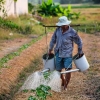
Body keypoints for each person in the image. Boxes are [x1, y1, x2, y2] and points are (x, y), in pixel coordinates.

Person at [48, 16, 83, 90]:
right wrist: (50, 49)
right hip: (58, 52)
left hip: (67, 54)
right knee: (58, 70)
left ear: (67, 24)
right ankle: (63, 80)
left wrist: (80, 51)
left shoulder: (72, 32)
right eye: (61, 25)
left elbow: (79, 42)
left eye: (63, 25)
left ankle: (65, 86)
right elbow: (53, 40)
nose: (62, 27)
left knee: (68, 70)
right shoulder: (57, 30)